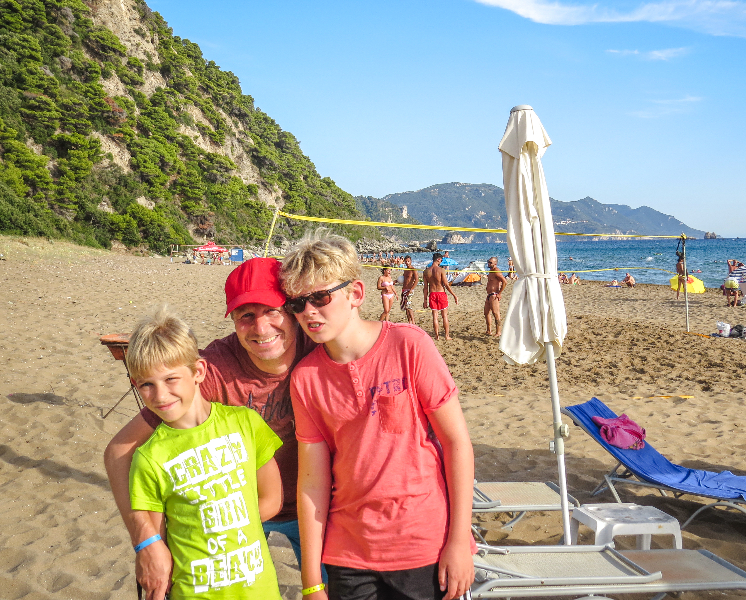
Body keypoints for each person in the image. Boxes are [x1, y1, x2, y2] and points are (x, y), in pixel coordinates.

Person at [103, 258, 318, 600]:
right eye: (246, 315)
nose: (261, 329)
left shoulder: (320, 351)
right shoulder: (214, 368)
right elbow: (119, 450)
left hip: (314, 508)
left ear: (292, 310)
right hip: (235, 515)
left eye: (272, 311)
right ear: (232, 319)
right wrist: (147, 543)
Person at [279, 230, 475, 600]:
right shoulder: (306, 378)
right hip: (348, 553)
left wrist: (459, 541)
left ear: (355, 294)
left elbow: (456, 443)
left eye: (320, 297)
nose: (308, 311)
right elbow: (313, 482)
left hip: (424, 544)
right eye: (297, 304)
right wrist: (311, 581)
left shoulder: (409, 345)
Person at [125, 306, 284, 600]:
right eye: (147, 384)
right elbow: (159, 540)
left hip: (259, 590)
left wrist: (225, 527)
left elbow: (272, 499)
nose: (160, 396)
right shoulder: (148, 458)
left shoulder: (246, 424)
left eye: (171, 379)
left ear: (198, 371)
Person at [423, 253, 459, 340]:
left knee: (435, 316)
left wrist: (425, 300)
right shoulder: (441, 270)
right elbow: (446, 284)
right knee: (444, 316)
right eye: (441, 260)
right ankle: (446, 336)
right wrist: (454, 295)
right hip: (441, 293)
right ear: (438, 259)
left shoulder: (426, 271)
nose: (441, 262)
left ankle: (437, 336)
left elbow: (425, 288)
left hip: (432, 294)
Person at [484, 256, 506, 337]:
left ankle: (498, 332)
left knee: (496, 313)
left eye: (490, 262)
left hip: (494, 295)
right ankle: (489, 330)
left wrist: (499, 293)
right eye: (488, 262)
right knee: (486, 313)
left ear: (495, 264)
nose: (488, 263)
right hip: (489, 295)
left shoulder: (496, 271)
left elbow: (505, 282)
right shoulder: (491, 271)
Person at [398, 255, 419, 325]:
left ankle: (413, 321)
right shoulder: (405, 270)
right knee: (406, 307)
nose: (407, 262)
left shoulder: (413, 270)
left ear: (411, 261)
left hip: (410, 290)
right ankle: (409, 321)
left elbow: (416, 280)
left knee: (408, 306)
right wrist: (396, 281)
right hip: (404, 289)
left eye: (408, 261)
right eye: (406, 261)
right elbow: (404, 280)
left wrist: (411, 289)